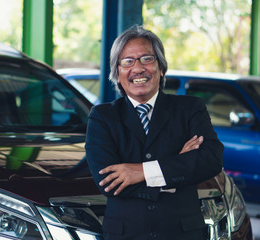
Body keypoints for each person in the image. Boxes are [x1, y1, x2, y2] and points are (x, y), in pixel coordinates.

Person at [85, 25, 224, 240]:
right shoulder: (102, 117)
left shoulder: (189, 108)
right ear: (117, 73)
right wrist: (177, 166)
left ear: (161, 68)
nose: (138, 68)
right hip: (127, 234)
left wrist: (141, 172)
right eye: (128, 61)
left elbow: (211, 159)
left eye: (146, 59)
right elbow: (109, 183)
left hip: (183, 234)